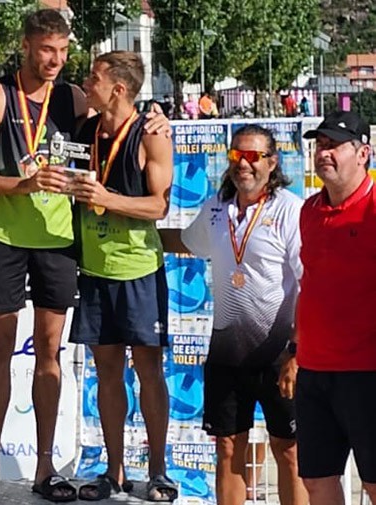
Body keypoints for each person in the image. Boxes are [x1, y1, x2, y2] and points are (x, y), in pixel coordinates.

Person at [0, 10, 168, 504]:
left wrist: (156, 112)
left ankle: (44, 470)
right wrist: (19, 185)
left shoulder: (73, 98)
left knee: (49, 354)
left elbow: (123, 117)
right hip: (7, 236)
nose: (56, 60)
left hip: (60, 239)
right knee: (1, 350)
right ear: (26, 46)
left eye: (64, 51)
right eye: (47, 50)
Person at [162, 124, 307, 505]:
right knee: (227, 447)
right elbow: (186, 243)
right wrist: (139, 228)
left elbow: (310, 283)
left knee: (289, 451)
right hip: (227, 351)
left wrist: (298, 352)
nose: (243, 165)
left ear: (272, 163)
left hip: (279, 353)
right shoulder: (215, 208)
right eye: (235, 156)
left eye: (253, 156)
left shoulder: (290, 210)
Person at [67, 50, 176, 502]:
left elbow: (159, 205)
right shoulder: (85, 129)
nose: (85, 83)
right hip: (94, 268)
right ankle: (114, 472)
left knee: (148, 371)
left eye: (94, 77)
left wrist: (106, 198)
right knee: (106, 371)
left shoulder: (151, 136)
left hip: (138, 271)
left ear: (118, 88)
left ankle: (158, 471)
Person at [282, 110, 376, 505]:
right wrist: (294, 350)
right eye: (320, 145)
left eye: (334, 145)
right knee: (317, 481)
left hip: (367, 372)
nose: (324, 154)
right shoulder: (309, 211)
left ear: (363, 153)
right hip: (316, 370)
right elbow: (311, 285)